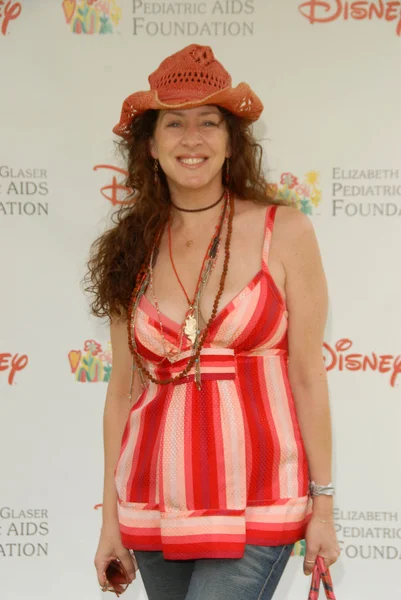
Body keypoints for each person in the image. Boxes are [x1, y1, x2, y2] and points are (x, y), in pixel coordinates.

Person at [85, 44, 340, 600]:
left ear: (231, 142)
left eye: (210, 122)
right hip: (154, 502)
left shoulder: (286, 230)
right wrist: (111, 521)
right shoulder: (131, 246)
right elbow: (122, 392)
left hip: (260, 500)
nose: (193, 138)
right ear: (151, 146)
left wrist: (323, 505)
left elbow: (307, 377)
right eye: (174, 123)